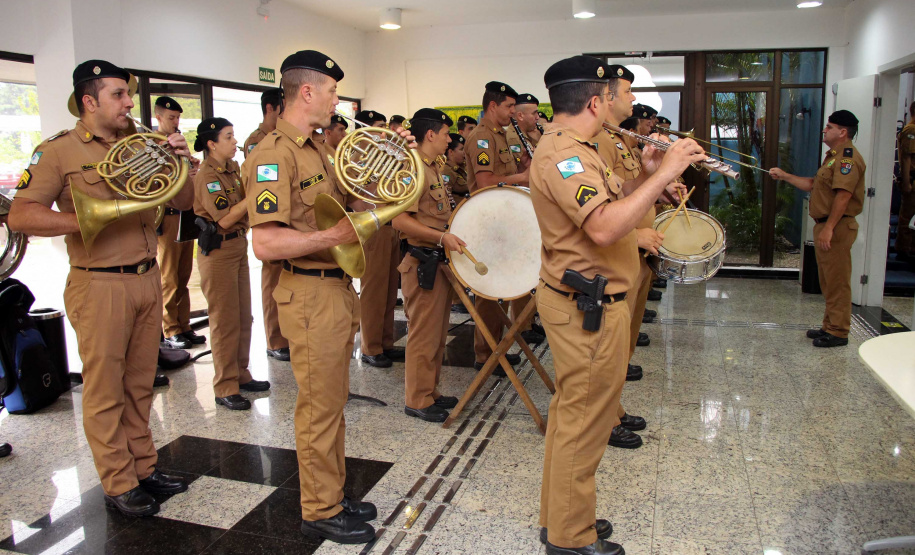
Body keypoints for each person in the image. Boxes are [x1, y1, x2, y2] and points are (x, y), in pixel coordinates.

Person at [531, 55, 705, 555]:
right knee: (584, 425)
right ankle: (569, 537)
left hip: (590, 299)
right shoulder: (564, 155)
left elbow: (606, 205)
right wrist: (665, 171)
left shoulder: (581, 149)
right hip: (586, 307)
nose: (619, 102)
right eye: (612, 95)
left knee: (574, 419)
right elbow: (604, 227)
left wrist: (642, 176)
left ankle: (561, 518)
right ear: (594, 100)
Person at [8, 60, 194, 516]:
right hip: (100, 285)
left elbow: (185, 203)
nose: (130, 102)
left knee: (140, 385)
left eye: (128, 94)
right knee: (105, 390)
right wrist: (86, 220)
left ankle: (145, 468)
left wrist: (181, 162)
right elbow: (21, 214)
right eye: (118, 94)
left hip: (147, 276)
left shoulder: (141, 144)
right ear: (89, 101)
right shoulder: (57, 151)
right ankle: (118, 481)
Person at [245, 50, 399, 545]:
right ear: (307, 92)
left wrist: (385, 172)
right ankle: (319, 509)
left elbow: (344, 209)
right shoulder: (273, 154)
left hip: (333, 290)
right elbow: (265, 242)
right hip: (308, 293)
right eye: (332, 91)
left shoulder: (317, 148)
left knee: (332, 403)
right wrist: (331, 238)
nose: (337, 101)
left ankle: (331, 491)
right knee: (318, 407)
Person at [591, 65, 686, 450]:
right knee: (605, 353)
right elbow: (602, 217)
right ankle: (605, 418)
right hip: (617, 251)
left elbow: (628, 191)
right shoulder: (592, 144)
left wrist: (657, 178)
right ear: (605, 98)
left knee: (622, 344)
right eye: (628, 92)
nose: (634, 101)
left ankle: (612, 408)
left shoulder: (620, 140)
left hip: (636, 250)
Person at [770, 110, 866, 348]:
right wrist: (784, 176)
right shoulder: (833, 158)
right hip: (828, 224)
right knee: (828, 280)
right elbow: (813, 185)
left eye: (830, 127)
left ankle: (839, 332)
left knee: (837, 281)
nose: (825, 130)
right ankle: (829, 325)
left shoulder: (847, 159)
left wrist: (829, 228)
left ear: (843, 132)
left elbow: (844, 196)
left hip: (838, 225)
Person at [193, 117, 270, 410]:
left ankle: (241, 372)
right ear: (212, 144)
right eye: (228, 137)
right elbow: (224, 218)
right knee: (225, 321)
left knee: (242, 316)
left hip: (237, 245)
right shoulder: (207, 177)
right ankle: (225, 385)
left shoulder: (232, 169)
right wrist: (253, 198)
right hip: (219, 252)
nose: (235, 142)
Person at [392, 108, 464, 422]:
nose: (450, 140)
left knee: (436, 334)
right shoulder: (410, 169)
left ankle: (430, 390)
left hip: (436, 261)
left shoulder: (433, 167)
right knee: (423, 334)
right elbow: (399, 219)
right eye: (447, 133)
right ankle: (417, 399)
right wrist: (440, 237)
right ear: (431, 134)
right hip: (421, 262)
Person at [463, 81, 530, 371]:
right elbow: (486, 181)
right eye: (509, 106)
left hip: (505, 219)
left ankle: (497, 349)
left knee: (503, 287)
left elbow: (509, 173)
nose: (513, 112)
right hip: (487, 222)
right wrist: (524, 177)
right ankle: (485, 355)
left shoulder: (504, 135)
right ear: (493, 106)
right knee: (489, 292)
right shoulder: (481, 137)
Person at [352, 109, 403, 368]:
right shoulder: (357, 157)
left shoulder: (385, 154)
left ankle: (386, 342)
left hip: (391, 224)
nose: (386, 132)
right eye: (380, 126)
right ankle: (370, 346)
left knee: (389, 288)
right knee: (373, 290)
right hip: (373, 227)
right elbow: (357, 197)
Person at [155, 96, 206, 350]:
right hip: (166, 218)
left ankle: (184, 325)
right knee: (169, 277)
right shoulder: (152, 145)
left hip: (186, 216)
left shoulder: (179, 144)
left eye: (178, 118)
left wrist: (192, 169)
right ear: (158, 118)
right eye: (171, 118)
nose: (176, 122)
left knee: (185, 274)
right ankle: (170, 328)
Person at [243, 88, 289, 361]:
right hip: (268, 217)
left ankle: (286, 335)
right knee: (272, 283)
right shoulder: (257, 141)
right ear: (271, 108)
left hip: (287, 219)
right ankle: (274, 340)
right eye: (282, 109)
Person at [896, 102, 915, 258]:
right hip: (912, 179)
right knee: (907, 216)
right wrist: (907, 182)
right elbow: (906, 158)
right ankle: (904, 248)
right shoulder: (911, 130)